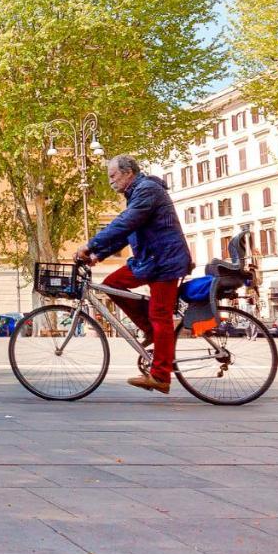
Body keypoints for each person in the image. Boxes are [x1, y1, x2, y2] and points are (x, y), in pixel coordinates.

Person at [75, 155, 192, 395]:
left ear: (128, 173)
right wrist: (99, 253)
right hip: (150, 260)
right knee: (112, 284)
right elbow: (127, 231)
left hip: (165, 261)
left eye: (113, 176)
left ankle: (160, 376)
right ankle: (149, 330)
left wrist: (90, 244)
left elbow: (125, 223)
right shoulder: (137, 193)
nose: (110, 182)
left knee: (161, 315)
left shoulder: (147, 190)